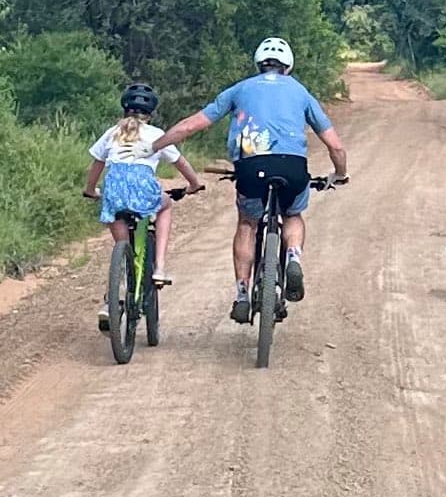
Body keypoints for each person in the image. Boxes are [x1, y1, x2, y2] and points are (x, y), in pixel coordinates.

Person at [134, 39, 348, 323]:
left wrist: (154, 146)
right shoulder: (301, 92)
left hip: (250, 167)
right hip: (292, 166)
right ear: (288, 66)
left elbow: (192, 125)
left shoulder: (240, 89)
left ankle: (242, 294)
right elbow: (335, 146)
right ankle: (294, 257)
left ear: (259, 64)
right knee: (293, 214)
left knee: (247, 222)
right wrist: (340, 174)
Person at [84, 82, 203, 327]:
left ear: (125, 108)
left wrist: (90, 190)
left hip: (114, 190)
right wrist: (194, 184)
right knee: (166, 205)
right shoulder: (156, 134)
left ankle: (112, 300)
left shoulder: (111, 132)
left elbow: (97, 164)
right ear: (151, 113)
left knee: (122, 244)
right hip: (143, 189)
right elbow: (181, 163)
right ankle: (159, 266)